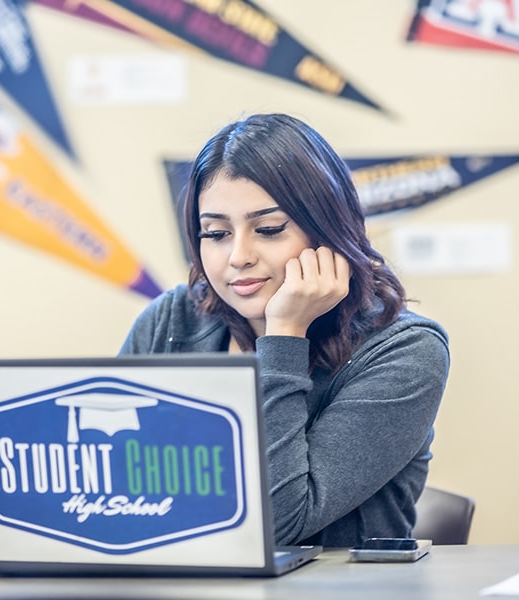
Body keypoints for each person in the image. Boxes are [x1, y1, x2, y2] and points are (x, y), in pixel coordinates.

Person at [119, 113, 450, 548]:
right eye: (215, 233)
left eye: (269, 229)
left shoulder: (406, 352)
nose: (238, 256)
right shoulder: (171, 322)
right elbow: (113, 488)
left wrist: (285, 334)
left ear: (328, 230)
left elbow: (279, 525)